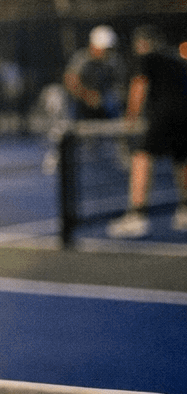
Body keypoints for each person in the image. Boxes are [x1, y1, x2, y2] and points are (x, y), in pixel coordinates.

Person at [105, 26, 187, 238]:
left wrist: (131, 117)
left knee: (141, 158)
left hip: (162, 116)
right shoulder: (177, 59)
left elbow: (139, 84)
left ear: (142, 43)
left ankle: (137, 216)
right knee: (181, 160)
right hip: (183, 115)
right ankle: (185, 211)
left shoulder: (146, 57)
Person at [64, 24, 125, 122]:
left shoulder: (115, 61)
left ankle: (117, 131)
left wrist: (101, 98)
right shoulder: (81, 59)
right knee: (71, 104)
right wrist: (87, 95)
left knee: (113, 101)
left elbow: (120, 85)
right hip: (82, 100)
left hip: (105, 99)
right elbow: (70, 81)